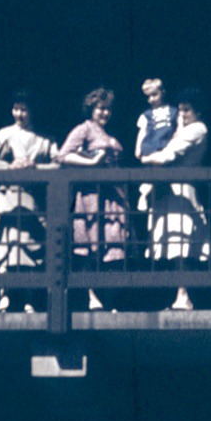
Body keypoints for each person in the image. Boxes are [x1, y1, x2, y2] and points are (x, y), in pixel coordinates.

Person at [0, 91, 58, 313]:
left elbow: (59, 163)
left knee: (31, 251)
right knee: (7, 248)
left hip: (33, 200)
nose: (19, 114)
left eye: (24, 109)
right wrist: (9, 167)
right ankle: (4, 296)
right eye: (16, 109)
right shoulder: (4, 134)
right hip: (9, 199)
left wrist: (36, 168)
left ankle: (29, 299)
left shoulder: (45, 139)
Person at [57, 87, 128, 311]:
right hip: (90, 198)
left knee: (113, 246)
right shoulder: (84, 129)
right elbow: (63, 155)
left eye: (107, 109)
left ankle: (110, 300)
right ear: (92, 109)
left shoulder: (110, 134)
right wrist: (91, 163)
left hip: (112, 199)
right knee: (90, 246)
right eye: (100, 109)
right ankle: (92, 297)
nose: (104, 113)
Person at [144, 88, 210, 311]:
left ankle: (183, 296)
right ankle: (179, 295)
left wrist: (148, 157)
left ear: (197, 111)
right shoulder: (181, 129)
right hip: (170, 192)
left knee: (181, 244)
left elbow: (170, 153)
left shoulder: (198, 129)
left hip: (182, 193)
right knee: (173, 246)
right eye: (180, 110)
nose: (182, 114)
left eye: (187, 110)